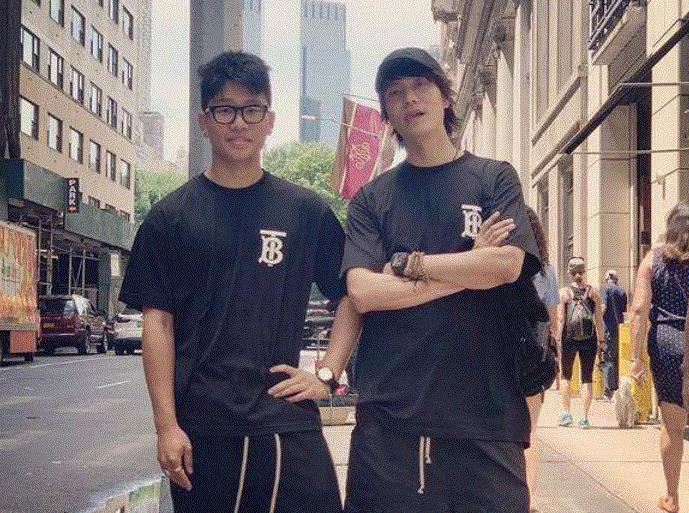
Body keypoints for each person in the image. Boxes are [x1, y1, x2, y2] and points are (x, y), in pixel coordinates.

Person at [119, 51, 361, 513]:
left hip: (285, 420)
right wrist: (166, 426)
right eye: (224, 110)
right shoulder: (171, 218)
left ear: (269, 121)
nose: (238, 123)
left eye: (252, 110)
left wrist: (328, 374)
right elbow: (158, 325)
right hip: (203, 427)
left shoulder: (304, 211)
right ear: (203, 121)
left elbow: (352, 294)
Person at [340, 47, 541, 513]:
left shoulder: (494, 179)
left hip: (486, 419)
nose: (410, 99)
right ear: (386, 111)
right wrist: (470, 264)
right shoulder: (372, 198)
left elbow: (506, 266)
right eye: (395, 92)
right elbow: (363, 292)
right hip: (390, 424)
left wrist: (408, 266)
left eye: (420, 86)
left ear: (445, 96)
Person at [629, 201, 689, 513]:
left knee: (672, 425)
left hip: (666, 341)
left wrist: (636, 358)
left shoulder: (652, 260)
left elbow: (639, 309)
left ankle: (672, 497)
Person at [525, 207, 559, 511]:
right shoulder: (547, 271)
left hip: (502, 353)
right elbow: (552, 319)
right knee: (531, 430)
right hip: (534, 356)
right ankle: (531, 496)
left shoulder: (502, 266)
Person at [556, 256, 605, 428]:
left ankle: (566, 413)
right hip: (589, 338)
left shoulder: (564, 293)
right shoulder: (593, 292)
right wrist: (601, 340)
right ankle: (584, 418)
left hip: (569, 337)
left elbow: (561, 318)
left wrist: (557, 339)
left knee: (566, 375)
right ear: (583, 272)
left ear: (569, 273)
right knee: (587, 377)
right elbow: (599, 319)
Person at [600, 269, 628, 400]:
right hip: (620, 330)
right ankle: (617, 387)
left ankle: (609, 391)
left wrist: (596, 321)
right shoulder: (622, 291)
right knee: (618, 359)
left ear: (607, 278)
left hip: (608, 329)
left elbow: (603, 307)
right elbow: (624, 311)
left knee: (608, 359)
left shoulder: (604, 288)